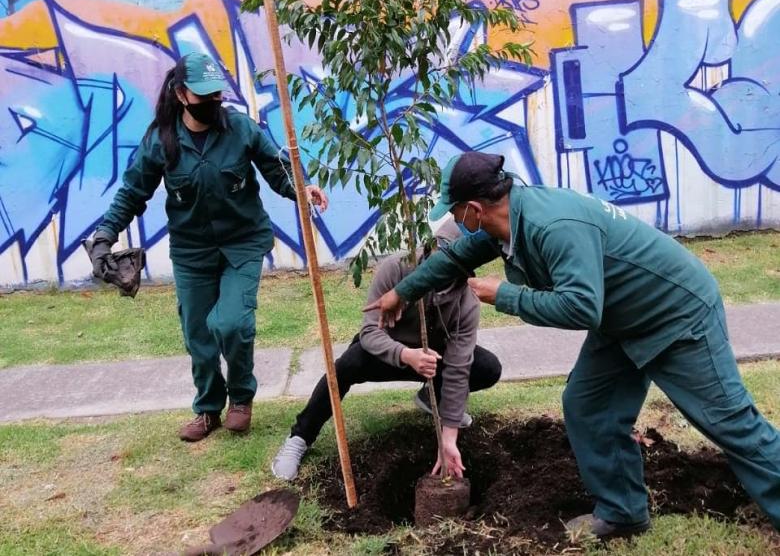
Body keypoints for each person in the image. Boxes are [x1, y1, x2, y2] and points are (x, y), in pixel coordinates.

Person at [365, 151, 780, 538]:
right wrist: (402, 292)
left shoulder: (552, 226)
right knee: (588, 405)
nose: (453, 219)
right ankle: (622, 512)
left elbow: (582, 308)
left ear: (474, 209)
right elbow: (453, 259)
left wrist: (506, 295)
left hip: (675, 312)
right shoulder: (506, 223)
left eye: (453, 211)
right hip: (624, 318)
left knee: (726, 419)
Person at [89, 52, 328, 442]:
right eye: (203, 95)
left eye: (217, 94)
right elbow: (132, 193)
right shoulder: (161, 141)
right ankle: (207, 409)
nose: (213, 101)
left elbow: (275, 167)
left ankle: (241, 399)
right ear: (181, 94)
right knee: (198, 334)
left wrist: (301, 189)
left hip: (243, 243)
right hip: (192, 251)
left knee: (231, 323)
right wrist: (104, 237)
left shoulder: (240, 128)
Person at [271, 219, 502, 481]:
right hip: (390, 353)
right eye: (440, 256)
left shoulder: (466, 300)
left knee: (486, 367)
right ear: (430, 247)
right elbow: (369, 333)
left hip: (432, 360)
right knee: (346, 367)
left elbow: (459, 366)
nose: (443, 268)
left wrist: (449, 437)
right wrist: (406, 355)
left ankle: (431, 397)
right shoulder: (396, 269)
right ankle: (299, 437)